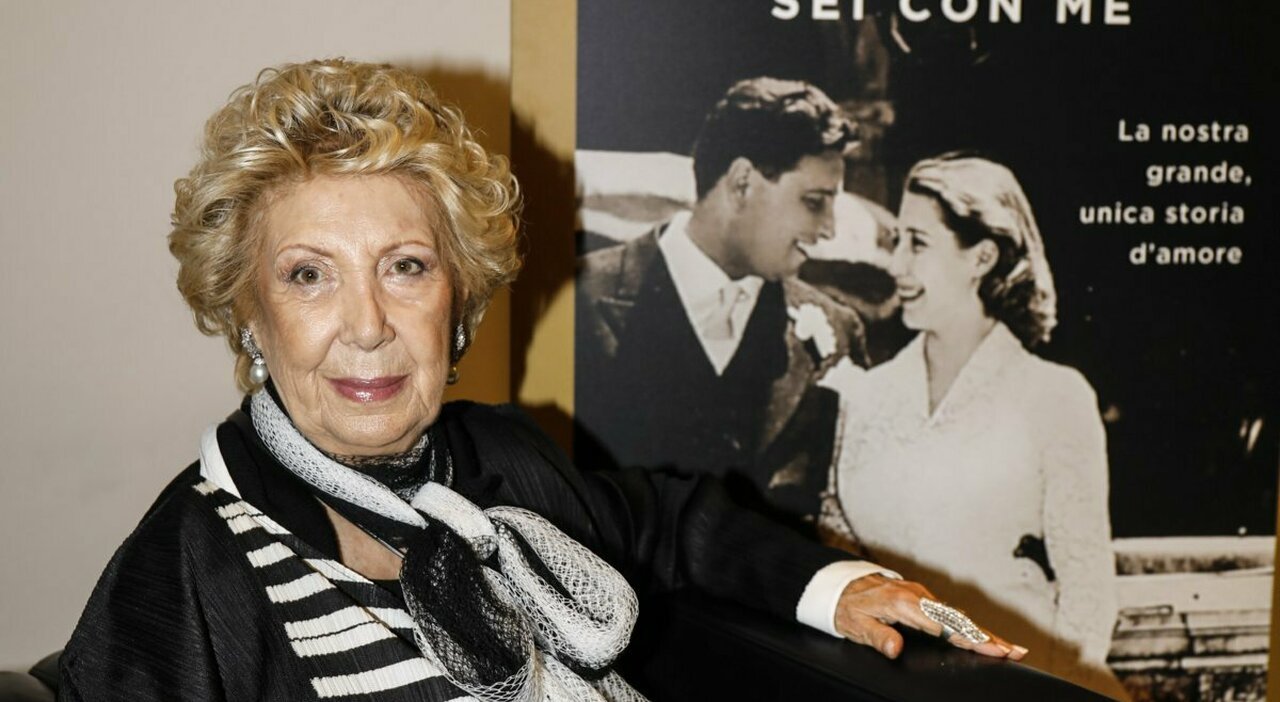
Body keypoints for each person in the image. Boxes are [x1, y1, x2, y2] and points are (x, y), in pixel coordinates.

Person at [59, 62, 1023, 701]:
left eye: (406, 267)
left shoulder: (501, 457)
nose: (369, 323)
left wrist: (838, 588)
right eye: (309, 275)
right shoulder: (187, 566)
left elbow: (672, 519)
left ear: (456, 304)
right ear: (249, 316)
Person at [832, 154, 1123, 697]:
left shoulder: (1055, 396)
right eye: (896, 241)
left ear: (982, 257)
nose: (897, 264)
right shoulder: (866, 395)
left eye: (918, 243)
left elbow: (1088, 594)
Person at [576, 77, 869, 526]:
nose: (829, 228)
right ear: (742, 182)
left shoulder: (839, 333)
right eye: (814, 202)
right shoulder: (576, 301)